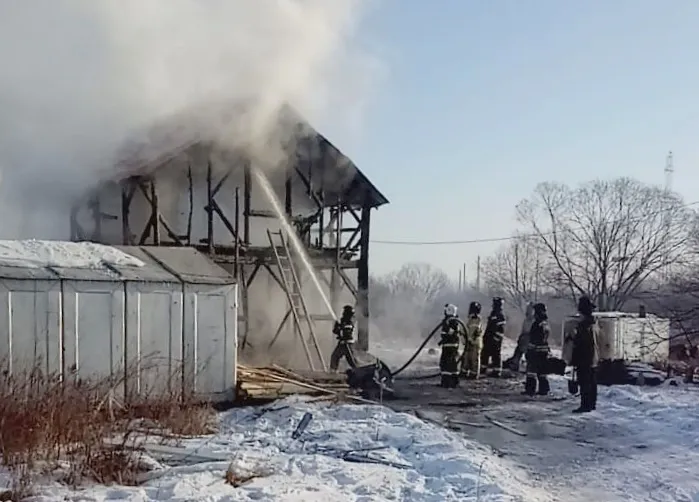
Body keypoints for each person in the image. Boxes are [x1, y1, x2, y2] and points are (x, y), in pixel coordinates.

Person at [571, 296, 599, 413]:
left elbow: (581, 343)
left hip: (584, 358)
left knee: (584, 382)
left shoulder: (584, 326)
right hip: (593, 357)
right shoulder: (594, 323)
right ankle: (591, 404)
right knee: (591, 381)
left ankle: (585, 405)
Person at [523, 302, 551, 396]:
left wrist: (529, 351)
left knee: (531, 372)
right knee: (542, 371)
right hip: (544, 351)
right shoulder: (546, 323)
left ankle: (530, 390)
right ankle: (544, 389)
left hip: (535, 351)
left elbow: (534, 339)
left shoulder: (537, 324)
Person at [505, 302, 535, 371]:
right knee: (518, 352)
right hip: (524, 339)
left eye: (529, 310)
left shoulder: (534, 321)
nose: (528, 311)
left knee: (528, 355)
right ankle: (515, 364)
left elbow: (529, 331)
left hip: (530, 340)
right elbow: (524, 330)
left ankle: (528, 367)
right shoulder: (526, 320)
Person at [439, 303, 463, 388]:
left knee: (446, 363)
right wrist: (442, 341)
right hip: (449, 345)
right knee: (451, 363)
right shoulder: (452, 320)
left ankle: (447, 382)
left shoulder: (451, 321)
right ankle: (453, 381)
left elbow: (450, 333)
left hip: (450, 346)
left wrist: (444, 338)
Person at [481, 297, 507, 377]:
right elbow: (489, 327)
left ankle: (497, 371)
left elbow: (501, 329)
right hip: (489, 337)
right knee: (485, 353)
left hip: (495, 339)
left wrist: (496, 338)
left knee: (496, 354)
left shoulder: (500, 315)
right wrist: (485, 337)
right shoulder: (493, 313)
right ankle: (483, 368)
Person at [330, 305, 357, 372]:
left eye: (344, 312)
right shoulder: (344, 321)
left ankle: (359, 372)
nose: (343, 313)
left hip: (347, 344)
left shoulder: (349, 322)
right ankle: (333, 371)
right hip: (343, 344)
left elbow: (346, 334)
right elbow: (336, 331)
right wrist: (337, 327)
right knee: (335, 357)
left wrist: (340, 329)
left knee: (352, 360)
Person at [460, 301, 484, 379]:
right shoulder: (469, 319)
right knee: (466, 357)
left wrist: (472, 339)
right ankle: (464, 372)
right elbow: (465, 329)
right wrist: (464, 339)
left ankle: (474, 374)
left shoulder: (478, 319)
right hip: (468, 342)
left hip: (475, 342)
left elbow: (477, 330)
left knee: (474, 358)